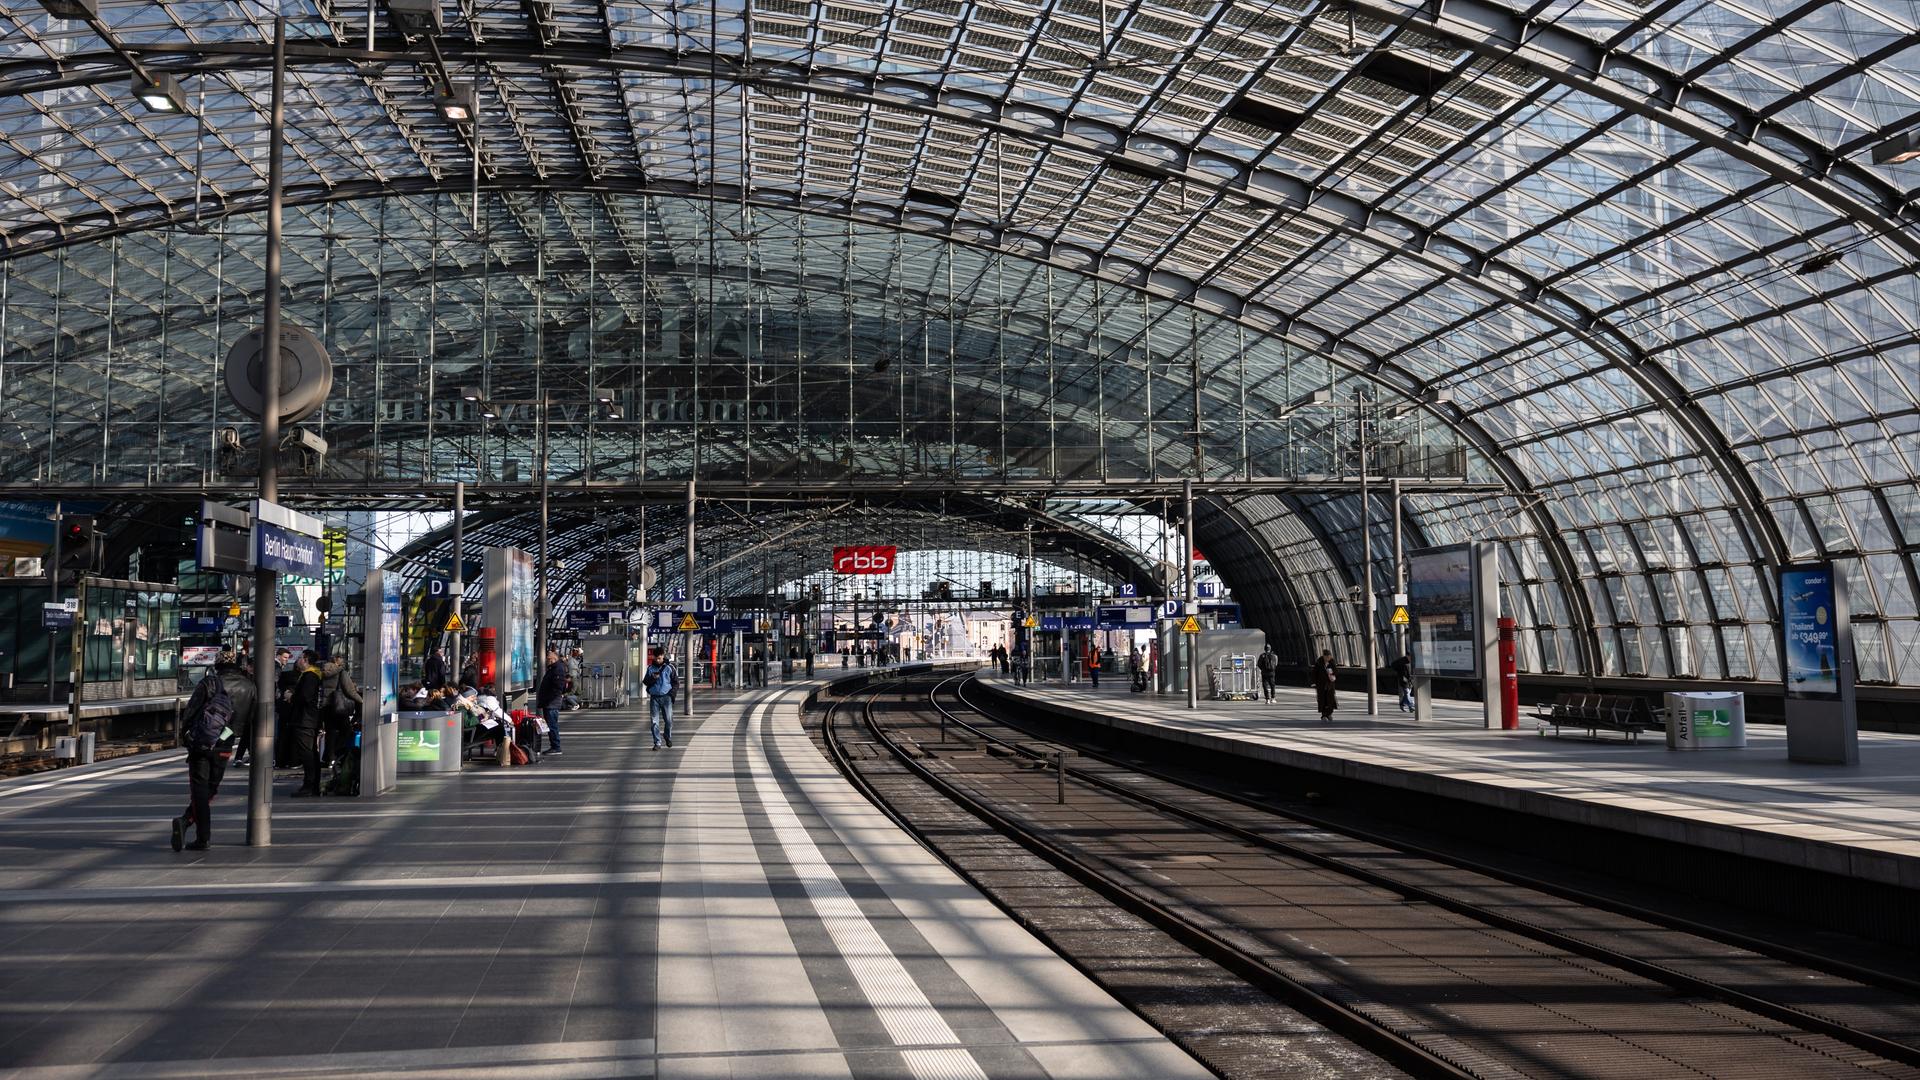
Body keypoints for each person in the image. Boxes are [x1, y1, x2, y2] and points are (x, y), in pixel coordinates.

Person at [171, 650, 257, 851]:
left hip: (202, 743)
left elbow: (191, 711)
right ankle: (187, 822)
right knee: (211, 787)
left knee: (199, 789)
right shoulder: (250, 686)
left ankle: (200, 835)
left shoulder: (209, 683)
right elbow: (248, 721)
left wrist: (186, 735)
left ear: (217, 665)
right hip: (225, 744)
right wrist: (226, 736)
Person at [287, 650, 326, 796]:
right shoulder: (315, 675)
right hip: (311, 719)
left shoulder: (310, 676)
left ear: (305, 659)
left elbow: (305, 697)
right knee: (311, 752)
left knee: (307, 753)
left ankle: (309, 785)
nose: (297, 661)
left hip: (305, 719)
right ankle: (312, 785)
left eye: (299, 658)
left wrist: (291, 696)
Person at [318, 653, 364, 773]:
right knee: (346, 731)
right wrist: (362, 701)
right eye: (342, 659)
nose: (343, 662)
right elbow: (349, 690)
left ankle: (328, 758)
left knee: (330, 732)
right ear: (337, 660)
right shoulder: (341, 672)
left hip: (326, 706)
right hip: (339, 706)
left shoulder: (322, 670)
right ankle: (338, 754)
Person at [536, 647, 568, 756]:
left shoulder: (557, 669)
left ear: (553, 659)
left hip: (552, 703)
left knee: (552, 725)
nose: (546, 661)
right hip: (550, 702)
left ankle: (556, 747)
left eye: (548, 659)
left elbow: (558, 687)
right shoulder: (554, 668)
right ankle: (554, 746)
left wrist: (549, 699)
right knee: (551, 724)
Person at [645, 651, 676, 750]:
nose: (657, 660)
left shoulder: (669, 668)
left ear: (663, 656)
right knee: (654, 721)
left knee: (669, 720)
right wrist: (653, 679)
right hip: (654, 698)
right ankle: (657, 742)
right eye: (656, 658)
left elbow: (676, 682)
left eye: (659, 658)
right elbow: (646, 681)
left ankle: (667, 736)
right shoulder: (650, 668)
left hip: (666, 697)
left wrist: (671, 695)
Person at [1310, 649, 1338, 722]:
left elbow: (1335, 671)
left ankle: (1329, 713)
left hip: (1330, 684)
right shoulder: (1319, 663)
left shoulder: (1332, 662)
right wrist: (1314, 682)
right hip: (1321, 685)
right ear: (1324, 656)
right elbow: (1314, 673)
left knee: (1331, 699)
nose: (1328, 658)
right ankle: (1324, 715)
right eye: (1327, 656)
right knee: (1323, 700)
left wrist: (1333, 675)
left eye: (1329, 656)